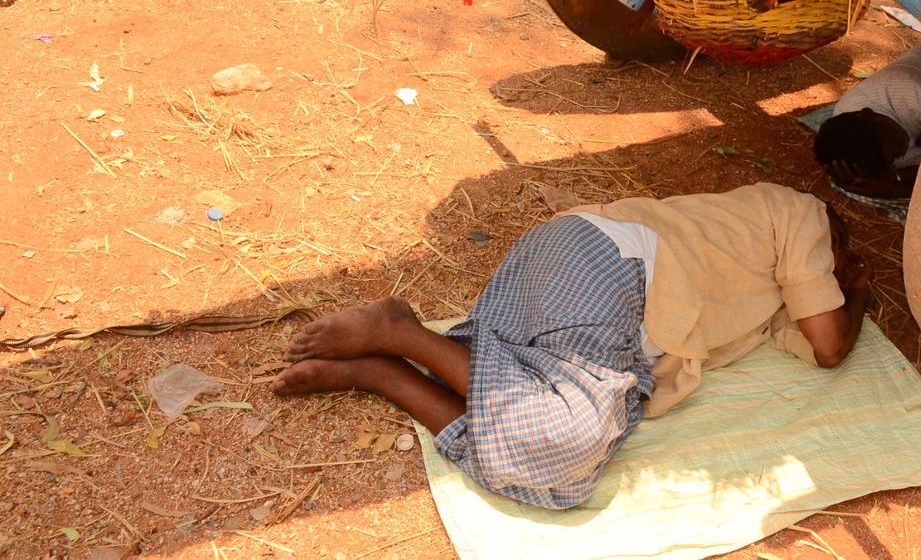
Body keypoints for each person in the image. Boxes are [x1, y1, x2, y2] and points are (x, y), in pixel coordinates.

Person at [271, 183, 872, 509]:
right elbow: (829, 344)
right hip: (609, 265)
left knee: (559, 478)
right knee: (571, 435)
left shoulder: (767, 293)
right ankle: (399, 335)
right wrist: (857, 290)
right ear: (834, 247)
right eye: (836, 263)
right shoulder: (802, 214)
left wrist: (836, 296)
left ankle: (384, 374)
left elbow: (809, 341)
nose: (829, 276)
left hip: (563, 260)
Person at [814, 37, 921, 200]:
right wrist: (885, 177)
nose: (901, 152)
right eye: (894, 158)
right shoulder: (848, 113)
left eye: (893, 147)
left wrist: (895, 190)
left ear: (869, 114)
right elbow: (917, 167)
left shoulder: (920, 97)